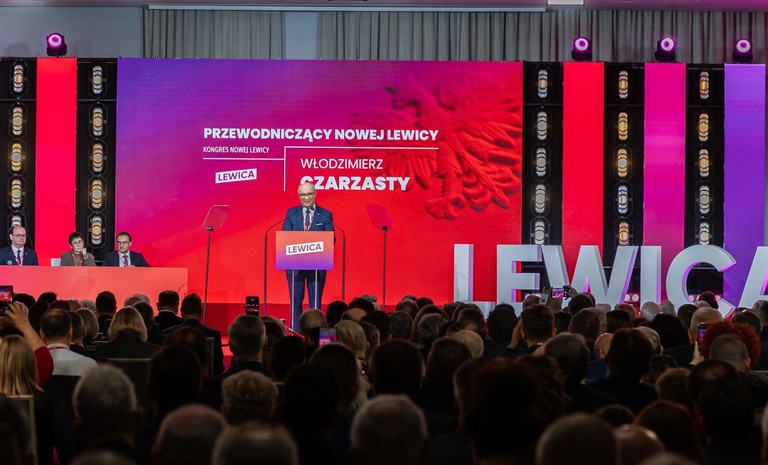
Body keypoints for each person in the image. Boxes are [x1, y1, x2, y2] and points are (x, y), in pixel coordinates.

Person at [282, 181, 334, 325]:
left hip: (317, 267)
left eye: (309, 194)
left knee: (315, 305)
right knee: (295, 303)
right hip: (295, 267)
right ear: (298, 195)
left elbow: (331, 239)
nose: (306, 198)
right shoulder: (291, 214)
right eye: (302, 195)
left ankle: (316, 333)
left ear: (315, 194)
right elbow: (286, 237)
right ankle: (295, 334)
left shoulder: (325, 215)